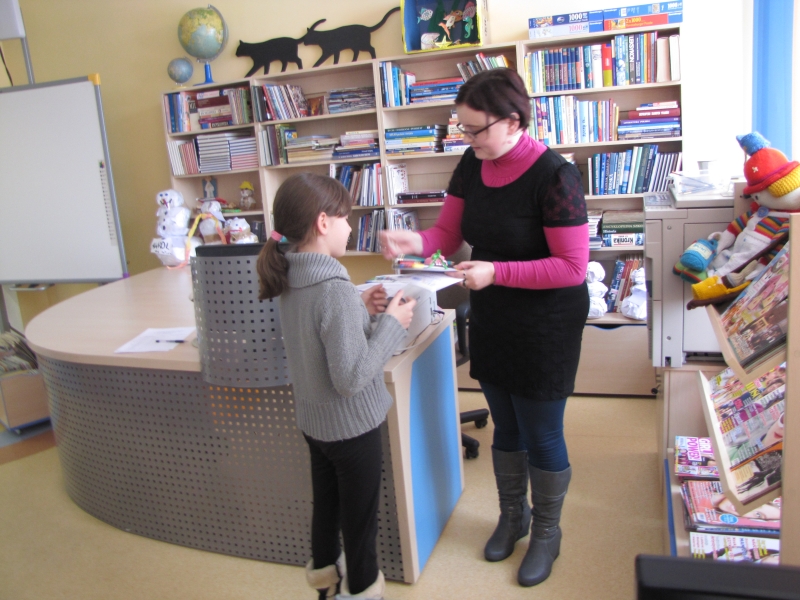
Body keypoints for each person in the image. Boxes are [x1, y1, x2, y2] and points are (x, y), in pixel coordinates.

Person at [380, 67, 589, 587]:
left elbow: (571, 267)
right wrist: (414, 242)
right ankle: (513, 517)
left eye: (476, 129)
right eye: (463, 129)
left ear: (513, 121)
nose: (468, 139)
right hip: (494, 309)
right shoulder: (471, 164)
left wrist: (496, 272)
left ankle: (547, 532)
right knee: (506, 425)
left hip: (547, 319)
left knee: (542, 431)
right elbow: (448, 235)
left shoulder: (556, 176)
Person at [257, 173, 416, 600]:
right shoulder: (333, 288)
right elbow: (350, 379)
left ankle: (326, 586)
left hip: (316, 425)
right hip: (351, 428)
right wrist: (390, 325)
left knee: (326, 510)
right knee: (360, 525)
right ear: (323, 222)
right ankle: (362, 590)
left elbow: (316, 333)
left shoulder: (291, 275)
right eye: (346, 218)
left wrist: (359, 308)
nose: (350, 227)